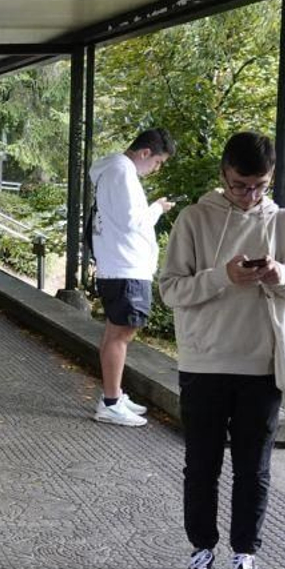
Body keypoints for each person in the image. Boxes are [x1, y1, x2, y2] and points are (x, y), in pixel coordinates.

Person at [158, 131, 285, 569]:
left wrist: (280, 275)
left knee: (254, 468)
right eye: (239, 185)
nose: (248, 196)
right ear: (223, 174)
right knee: (201, 465)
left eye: (259, 186)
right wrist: (222, 277)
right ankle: (202, 550)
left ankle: (245, 553)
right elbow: (170, 290)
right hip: (204, 361)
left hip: (263, 364)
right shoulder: (195, 219)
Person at [88, 128, 177, 426]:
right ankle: (111, 402)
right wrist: (157, 209)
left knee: (116, 333)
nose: (156, 169)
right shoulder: (122, 172)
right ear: (145, 153)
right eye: (157, 162)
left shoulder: (112, 170)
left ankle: (113, 395)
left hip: (118, 266)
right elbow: (132, 221)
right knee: (121, 335)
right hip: (126, 268)